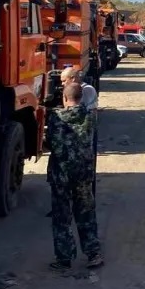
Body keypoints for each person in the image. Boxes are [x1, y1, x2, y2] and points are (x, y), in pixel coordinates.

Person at [45, 82, 103, 271]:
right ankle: (93, 254)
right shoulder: (90, 117)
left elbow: (51, 143)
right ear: (81, 98)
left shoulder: (56, 117)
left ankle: (64, 259)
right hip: (83, 174)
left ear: (64, 98)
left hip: (61, 174)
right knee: (86, 213)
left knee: (62, 217)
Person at [60, 66, 99, 195]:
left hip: (84, 138)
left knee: (85, 181)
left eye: (64, 80)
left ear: (73, 78)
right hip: (78, 139)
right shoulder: (73, 89)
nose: (62, 84)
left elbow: (79, 112)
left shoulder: (86, 90)